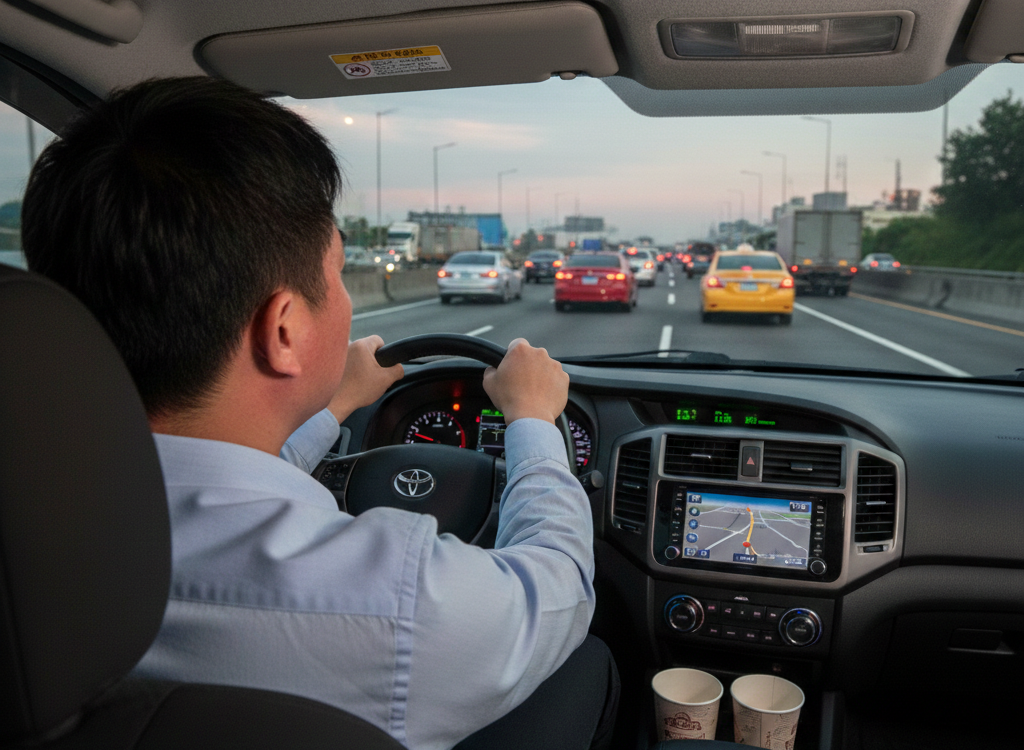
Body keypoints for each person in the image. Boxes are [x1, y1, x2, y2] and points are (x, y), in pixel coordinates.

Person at [21, 77, 618, 750]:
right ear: (283, 331)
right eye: (335, 273)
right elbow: (557, 591)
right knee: (587, 665)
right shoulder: (393, 598)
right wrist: (534, 421)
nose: (344, 296)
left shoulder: (36, 521)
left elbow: (216, 476)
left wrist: (333, 404)